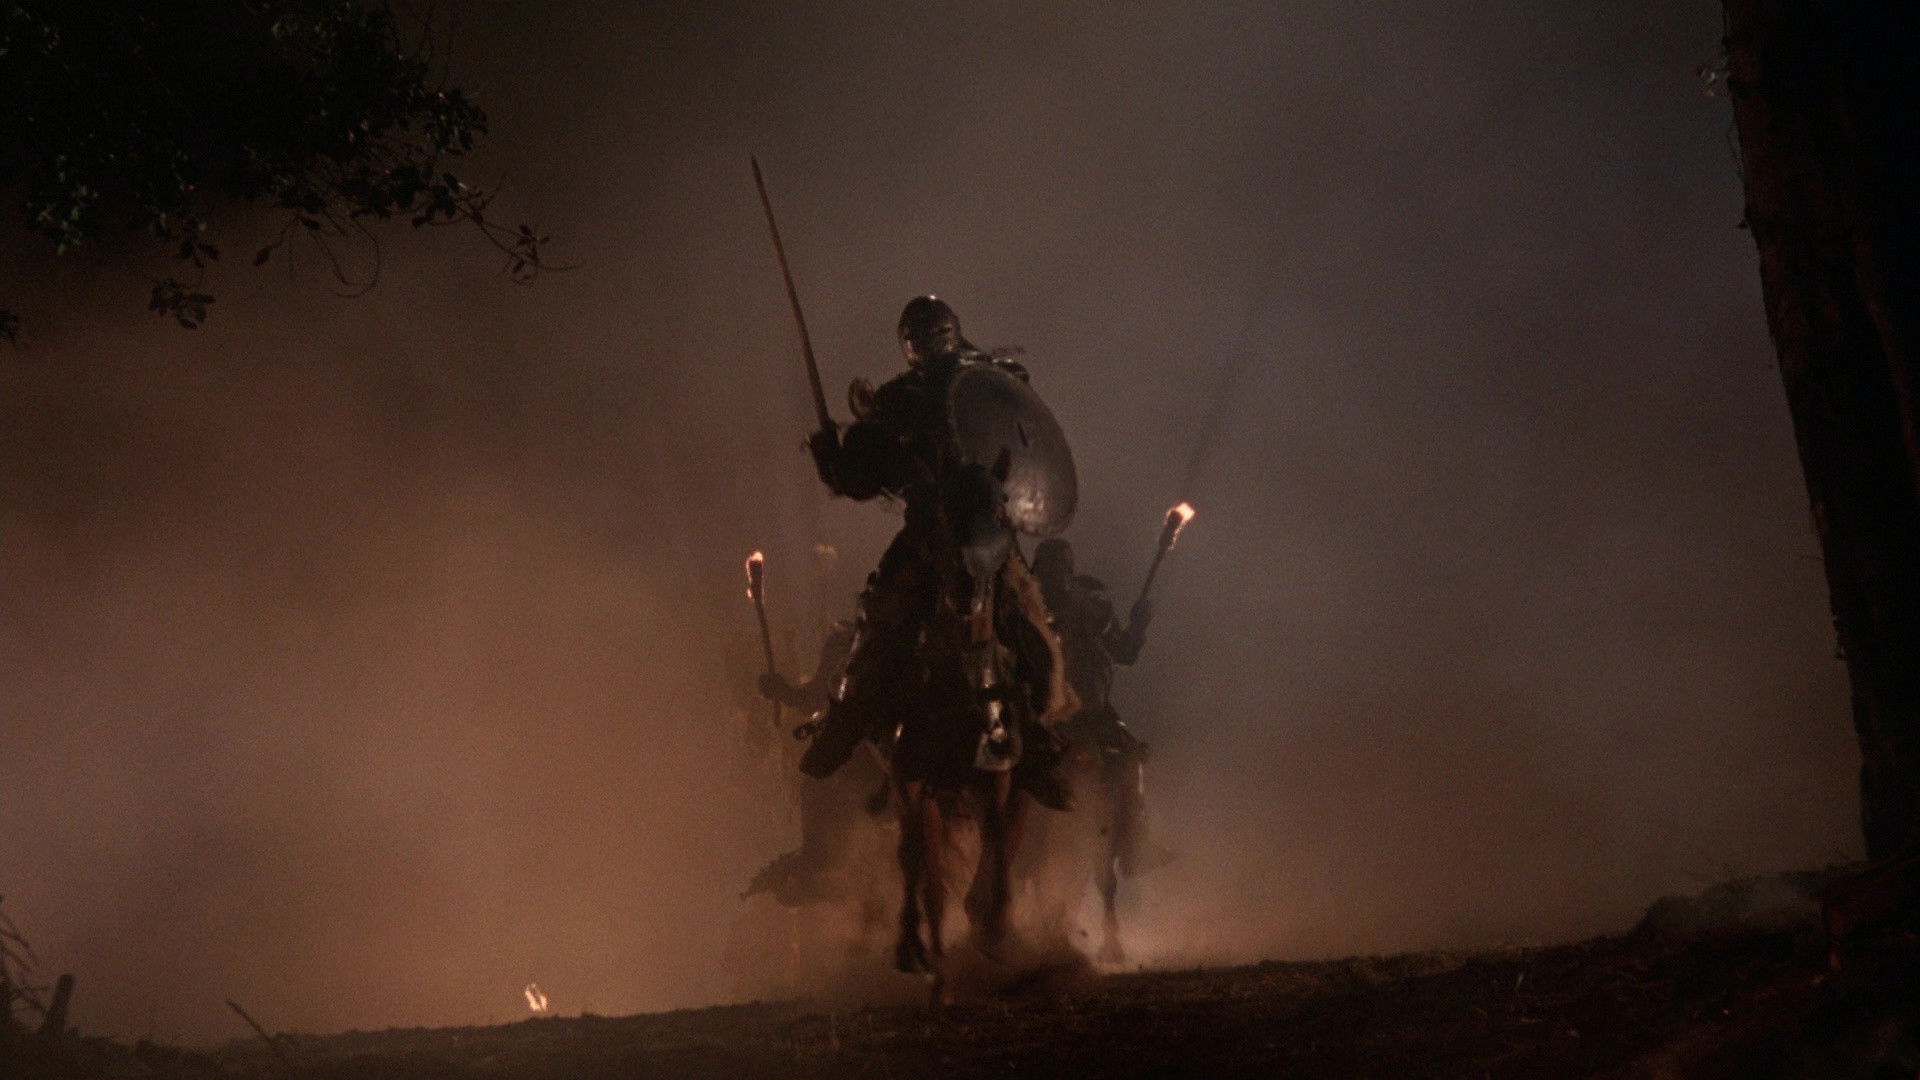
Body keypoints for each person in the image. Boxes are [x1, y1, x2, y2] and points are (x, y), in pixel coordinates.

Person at [799, 296, 1072, 808]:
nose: (925, 345)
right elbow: (863, 478)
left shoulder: (989, 382)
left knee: (1028, 626)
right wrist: (832, 456)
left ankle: (1038, 740)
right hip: (927, 534)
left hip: (985, 531)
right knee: (880, 617)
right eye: (916, 338)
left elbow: (1019, 442)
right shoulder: (899, 401)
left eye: (931, 334)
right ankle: (844, 722)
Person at [1029, 537, 1167, 876]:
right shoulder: (1025, 607)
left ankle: (1135, 844)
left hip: (1091, 713)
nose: (1055, 576)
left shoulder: (1090, 607)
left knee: (1130, 759)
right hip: (1039, 710)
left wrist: (1138, 624)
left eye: (1061, 568)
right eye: (1050, 568)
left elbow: (1124, 652)